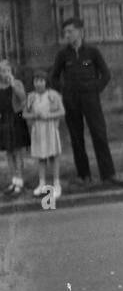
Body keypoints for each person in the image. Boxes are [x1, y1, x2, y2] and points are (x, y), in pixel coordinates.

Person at [49, 16, 118, 186]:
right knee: (76, 137)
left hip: (90, 99)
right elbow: (53, 78)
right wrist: (64, 91)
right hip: (71, 100)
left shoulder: (92, 52)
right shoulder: (63, 54)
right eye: (65, 32)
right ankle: (84, 175)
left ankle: (108, 175)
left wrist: (95, 89)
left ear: (80, 32)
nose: (67, 35)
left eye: (70, 31)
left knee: (99, 134)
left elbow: (106, 74)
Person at [25, 69, 64, 201]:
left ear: (46, 82)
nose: (38, 84)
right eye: (36, 81)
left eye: (41, 81)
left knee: (53, 156)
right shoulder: (31, 97)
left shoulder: (53, 95)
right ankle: (42, 183)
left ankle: (56, 184)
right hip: (38, 130)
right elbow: (24, 114)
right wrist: (34, 115)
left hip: (50, 128)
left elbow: (62, 112)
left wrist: (49, 115)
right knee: (41, 158)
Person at [0, 57, 29, 196]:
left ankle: (20, 180)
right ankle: (13, 180)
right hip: (4, 121)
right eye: (2, 71)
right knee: (8, 152)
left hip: (16, 120)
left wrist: (13, 84)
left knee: (17, 151)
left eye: (7, 70)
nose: (5, 73)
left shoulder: (17, 83)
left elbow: (23, 98)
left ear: (11, 71)